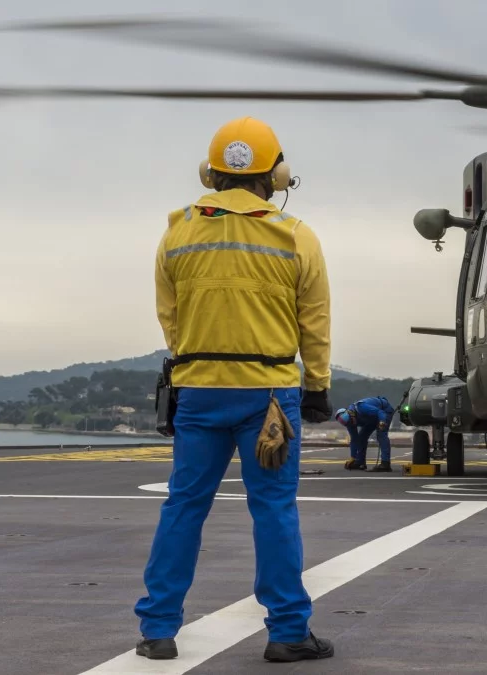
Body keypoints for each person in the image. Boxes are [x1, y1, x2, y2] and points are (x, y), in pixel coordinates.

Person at [136, 116, 335, 664]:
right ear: (279, 175)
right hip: (269, 395)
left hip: (198, 391)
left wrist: (195, 359)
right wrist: (315, 384)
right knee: (272, 510)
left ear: (211, 174)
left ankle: (158, 629)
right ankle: (288, 632)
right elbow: (313, 320)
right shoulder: (296, 235)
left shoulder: (177, 232)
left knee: (184, 506)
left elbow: (169, 317)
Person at [335, 396, 396, 472]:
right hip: (371, 418)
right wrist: (353, 457)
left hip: (384, 411)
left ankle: (385, 464)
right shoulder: (349, 423)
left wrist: (382, 422)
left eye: (351, 421)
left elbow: (380, 412)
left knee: (381, 434)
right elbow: (354, 439)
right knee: (361, 438)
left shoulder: (361, 407)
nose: (351, 424)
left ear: (351, 414)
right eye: (348, 424)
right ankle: (360, 462)